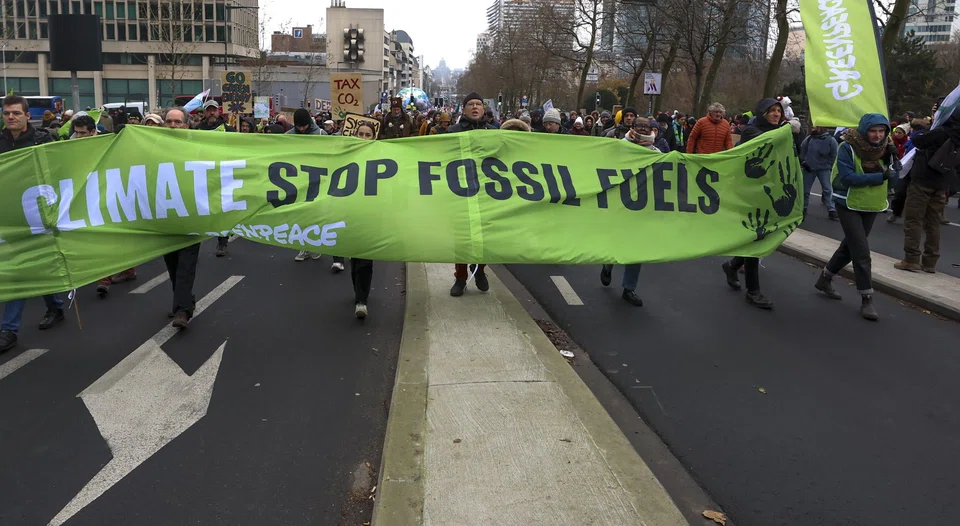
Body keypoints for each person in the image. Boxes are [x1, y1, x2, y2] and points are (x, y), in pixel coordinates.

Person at [815, 114, 900, 320]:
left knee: (849, 247)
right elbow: (848, 177)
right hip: (848, 203)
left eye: (882, 131)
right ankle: (867, 299)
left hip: (872, 204)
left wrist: (894, 166)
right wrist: (881, 176)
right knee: (861, 252)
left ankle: (824, 278)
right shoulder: (848, 147)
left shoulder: (886, 148)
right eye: (873, 131)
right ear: (864, 130)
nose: (878, 135)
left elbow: (894, 178)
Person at [0, 95, 64, 352]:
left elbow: (57, 171)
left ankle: (8, 329)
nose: (10, 117)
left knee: (25, 267)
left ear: (27, 115)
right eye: (6, 113)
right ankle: (54, 307)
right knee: (24, 266)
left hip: (36, 214)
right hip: (7, 215)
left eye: (15, 113)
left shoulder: (43, 140)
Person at [721, 98, 784, 310]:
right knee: (755, 238)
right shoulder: (751, 130)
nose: (776, 114)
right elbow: (767, 141)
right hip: (750, 193)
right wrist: (787, 132)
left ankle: (732, 266)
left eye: (779, 111)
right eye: (772, 111)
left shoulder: (780, 130)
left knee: (762, 236)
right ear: (762, 113)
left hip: (770, 192)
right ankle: (753, 291)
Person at [601, 117, 661, 307]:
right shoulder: (621, 146)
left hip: (643, 205)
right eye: (639, 127)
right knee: (617, 241)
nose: (642, 131)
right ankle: (608, 264)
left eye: (646, 128)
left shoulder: (656, 152)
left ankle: (629, 288)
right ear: (632, 128)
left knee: (636, 249)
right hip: (621, 201)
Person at [895, 108, 960, 273]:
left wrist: (929, 127)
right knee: (933, 223)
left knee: (913, 220)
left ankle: (911, 259)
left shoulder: (940, 132)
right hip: (942, 183)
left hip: (922, 181)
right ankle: (930, 262)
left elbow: (917, 141)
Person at [447, 91, 497, 297]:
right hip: (460, 190)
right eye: (471, 104)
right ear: (464, 109)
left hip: (486, 192)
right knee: (461, 237)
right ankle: (460, 277)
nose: (475, 107)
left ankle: (479, 271)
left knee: (483, 236)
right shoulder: (452, 131)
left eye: (479, 104)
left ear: (483, 109)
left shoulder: (495, 132)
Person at [161, 107, 202, 329]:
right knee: (173, 265)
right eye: (169, 122)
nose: (173, 126)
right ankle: (185, 301)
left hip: (191, 216)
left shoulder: (197, 148)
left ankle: (182, 310)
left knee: (186, 266)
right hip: (165, 217)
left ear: (186, 125)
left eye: (178, 122)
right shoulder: (153, 148)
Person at [348, 121, 380, 319]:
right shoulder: (345, 155)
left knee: (365, 256)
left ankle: (362, 300)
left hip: (371, 213)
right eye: (360, 134)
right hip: (350, 212)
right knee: (354, 255)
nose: (364, 138)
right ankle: (358, 292)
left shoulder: (382, 156)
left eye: (368, 135)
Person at [800, 127, 839, 220]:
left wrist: (829, 166)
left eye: (816, 127)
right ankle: (803, 208)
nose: (813, 128)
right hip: (809, 168)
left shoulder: (831, 140)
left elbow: (834, 155)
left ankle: (831, 210)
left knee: (828, 190)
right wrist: (804, 162)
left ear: (822, 128)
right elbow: (802, 151)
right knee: (805, 190)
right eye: (813, 126)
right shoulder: (809, 139)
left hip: (824, 169)